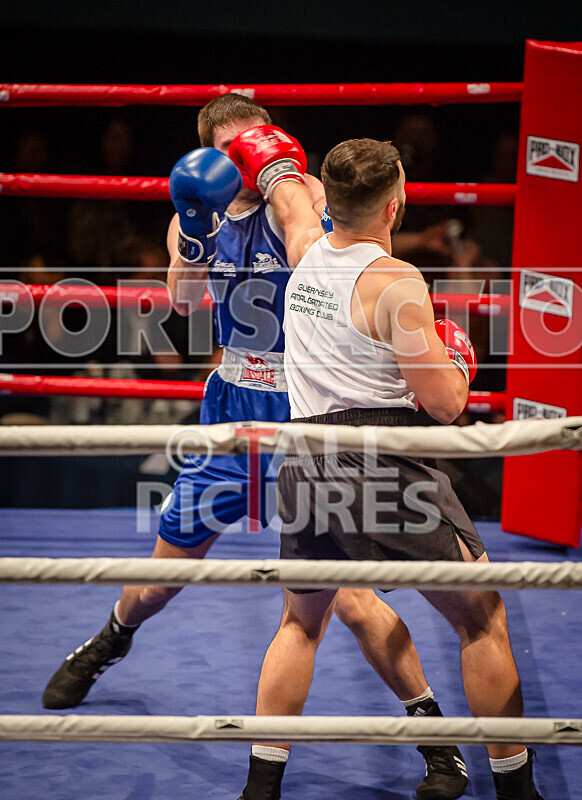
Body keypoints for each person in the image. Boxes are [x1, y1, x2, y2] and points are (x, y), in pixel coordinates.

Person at [43, 99, 465, 798]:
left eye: (255, 147)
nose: (249, 163)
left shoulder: (303, 195)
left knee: (352, 600)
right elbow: (183, 303)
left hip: (308, 410)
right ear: (210, 159)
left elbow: (327, 262)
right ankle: (111, 637)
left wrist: (286, 189)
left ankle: (435, 739)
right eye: (233, 153)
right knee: (160, 579)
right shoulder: (194, 208)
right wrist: (196, 233)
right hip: (233, 410)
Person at [234, 137, 544, 800]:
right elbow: (446, 405)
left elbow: (285, 194)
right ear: (394, 207)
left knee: (299, 624)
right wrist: (456, 359)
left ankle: (259, 791)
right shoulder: (396, 281)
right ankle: (518, 792)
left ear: (330, 198)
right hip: (382, 462)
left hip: (305, 461)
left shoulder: (303, 250)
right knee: (482, 617)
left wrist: (255, 148)